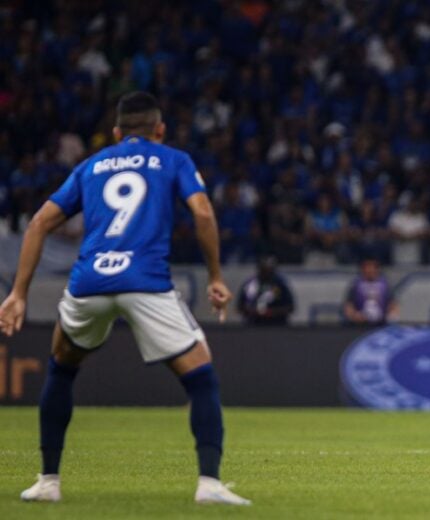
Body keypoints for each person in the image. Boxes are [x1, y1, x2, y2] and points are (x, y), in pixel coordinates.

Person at [0, 92, 251, 504]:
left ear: (116, 133)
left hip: (89, 282)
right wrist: (216, 276)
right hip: (145, 282)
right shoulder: (173, 159)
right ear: (160, 129)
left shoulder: (90, 165)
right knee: (201, 377)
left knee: (61, 371)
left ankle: (48, 481)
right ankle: (209, 484)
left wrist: (18, 293)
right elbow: (203, 213)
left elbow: (39, 222)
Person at [237, 255, 295, 325]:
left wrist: (272, 312)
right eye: (264, 270)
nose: (267, 272)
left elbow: (290, 307)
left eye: (269, 270)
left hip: (277, 324)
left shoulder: (280, 285)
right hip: (254, 324)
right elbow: (240, 307)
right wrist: (255, 312)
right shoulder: (250, 284)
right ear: (259, 269)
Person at [343, 257, 399, 325]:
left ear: (377, 269)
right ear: (362, 269)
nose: (369, 270)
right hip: (359, 324)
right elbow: (348, 306)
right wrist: (354, 315)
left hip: (381, 324)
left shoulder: (386, 285)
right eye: (367, 267)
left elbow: (393, 305)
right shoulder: (355, 285)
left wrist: (391, 316)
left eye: (372, 267)